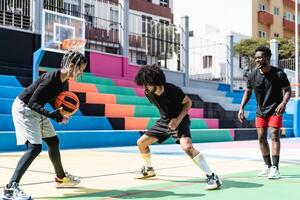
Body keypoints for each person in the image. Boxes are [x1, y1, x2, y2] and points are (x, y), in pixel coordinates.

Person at [1, 50, 88, 200]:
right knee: (35, 148)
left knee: (53, 141)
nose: (81, 72)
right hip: (24, 108)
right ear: (72, 65)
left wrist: (59, 114)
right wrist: (52, 115)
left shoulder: (63, 80)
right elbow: (32, 102)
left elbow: (49, 98)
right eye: (80, 68)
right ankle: (10, 189)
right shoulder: (50, 79)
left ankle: (61, 177)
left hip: (36, 108)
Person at [134, 65, 222, 190]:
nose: (145, 87)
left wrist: (178, 120)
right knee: (141, 143)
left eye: (146, 84)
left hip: (180, 119)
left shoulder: (173, 90)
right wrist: (167, 123)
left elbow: (188, 103)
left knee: (187, 147)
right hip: (164, 122)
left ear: (155, 82)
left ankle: (212, 177)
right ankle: (148, 170)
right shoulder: (149, 93)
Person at [238, 46, 291, 179]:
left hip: (275, 110)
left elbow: (288, 90)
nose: (257, 60)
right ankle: (267, 166)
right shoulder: (252, 75)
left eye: (260, 57)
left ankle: (275, 168)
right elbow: (248, 91)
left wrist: (283, 103)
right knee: (261, 138)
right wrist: (241, 108)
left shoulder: (279, 74)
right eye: (256, 58)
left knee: (274, 136)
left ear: (267, 58)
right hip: (260, 111)